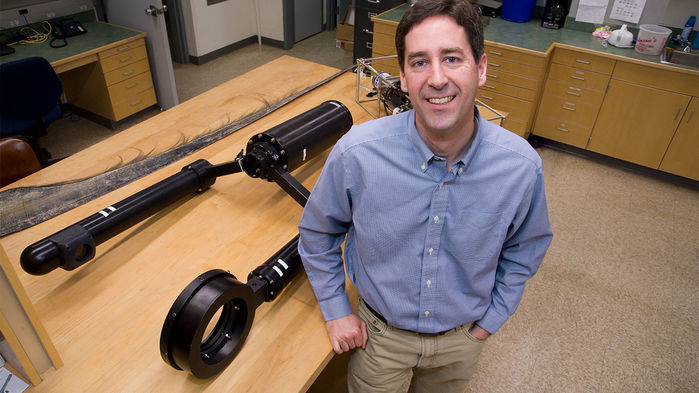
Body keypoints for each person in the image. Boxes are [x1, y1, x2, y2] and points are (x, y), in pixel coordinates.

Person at [298, 0, 553, 391]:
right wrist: (336, 311)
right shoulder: (358, 154)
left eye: (452, 58)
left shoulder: (520, 167)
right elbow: (317, 234)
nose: (436, 79)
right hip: (379, 337)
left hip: (461, 341)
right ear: (402, 76)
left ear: (481, 68)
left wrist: (488, 324)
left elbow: (525, 249)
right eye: (419, 62)